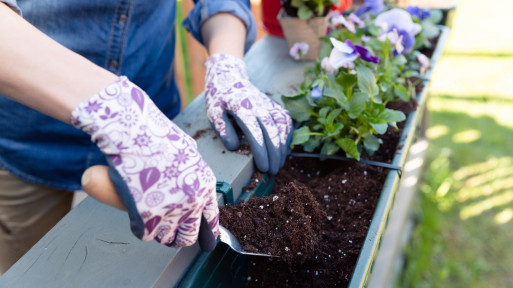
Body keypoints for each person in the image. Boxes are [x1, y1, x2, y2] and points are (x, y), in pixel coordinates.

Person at [0, 0, 292, 273]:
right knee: (31, 268)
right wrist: (116, 107)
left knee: (129, 265)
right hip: (28, 131)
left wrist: (226, 61)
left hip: (155, 137)